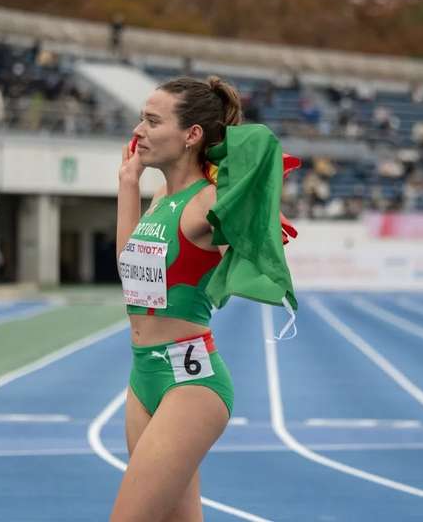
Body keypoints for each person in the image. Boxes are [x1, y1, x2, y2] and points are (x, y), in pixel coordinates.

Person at [114, 76, 298, 521]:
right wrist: (127, 183)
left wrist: (254, 213)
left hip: (190, 384)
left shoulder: (207, 204)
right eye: (141, 118)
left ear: (191, 135)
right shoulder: (159, 197)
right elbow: (129, 271)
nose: (139, 130)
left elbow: (252, 223)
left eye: (153, 121)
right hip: (144, 378)